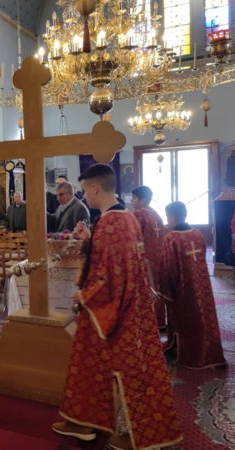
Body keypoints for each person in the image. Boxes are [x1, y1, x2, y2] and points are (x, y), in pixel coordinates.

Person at [53, 164, 182, 450]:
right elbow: (111, 258)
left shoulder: (112, 223)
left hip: (117, 310)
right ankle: (84, 421)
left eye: (85, 190)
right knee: (88, 362)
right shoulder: (124, 217)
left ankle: (137, 435)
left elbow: (115, 275)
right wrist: (89, 240)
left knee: (129, 372)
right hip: (123, 306)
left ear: (96, 188)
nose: (85, 196)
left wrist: (85, 296)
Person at [160, 201, 226, 369]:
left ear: (172, 216)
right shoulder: (197, 234)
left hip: (183, 290)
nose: (167, 219)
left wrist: (166, 291)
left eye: (167, 216)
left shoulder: (171, 239)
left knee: (186, 320)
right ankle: (207, 350)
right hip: (201, 285)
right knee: (202, 317)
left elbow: (169, 268)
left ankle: (190, 353)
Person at [131, 185, 166, 328]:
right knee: (157, 288)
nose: (132, 201)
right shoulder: (156, 214)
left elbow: (133, 238)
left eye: (134, 198)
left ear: (143, 200)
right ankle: (160, 322)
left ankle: (148, 323)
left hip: (144, 258)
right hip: (158, 257)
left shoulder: (139, 214)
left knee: (146, 289)